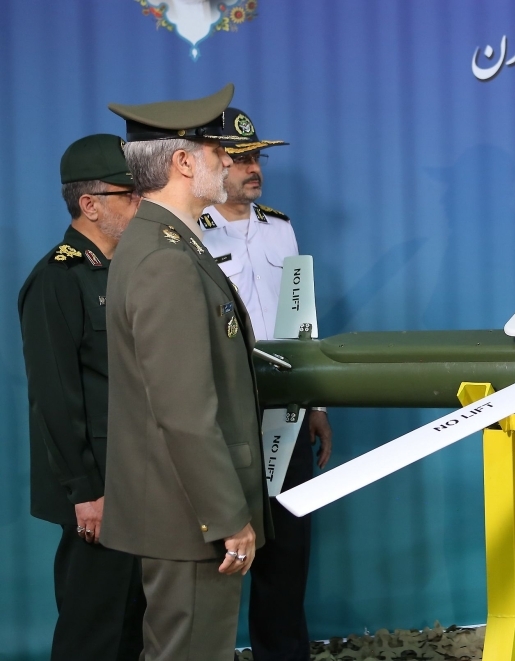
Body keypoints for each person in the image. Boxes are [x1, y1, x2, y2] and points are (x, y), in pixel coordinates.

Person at [100, 84, 272, 661]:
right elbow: (184, 412)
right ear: (181, 162)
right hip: (193, 517)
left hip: (181, 511)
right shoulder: (165, 258)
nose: (227, 158)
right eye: (214, 150)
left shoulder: (165, 242)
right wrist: (229, 516)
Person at [199, 108, 332, 661]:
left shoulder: (280, 227)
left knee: (287, 543)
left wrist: (317, 401)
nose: (255, 169)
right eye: (242, 159)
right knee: (216, 544)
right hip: (222, 409)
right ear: (215, 163)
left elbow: (302, 315)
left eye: (258, 157)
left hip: (285, 402)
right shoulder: (189, 232)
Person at [18, 134, 145, 661]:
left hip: (139, 478)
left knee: (132, 623)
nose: (141, 204)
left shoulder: (129, 271)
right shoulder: (56, 280)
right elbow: (56, 397)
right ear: (89, 204)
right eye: (128, 193)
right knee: (92, 628)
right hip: (97, 488)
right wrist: (84, 491)